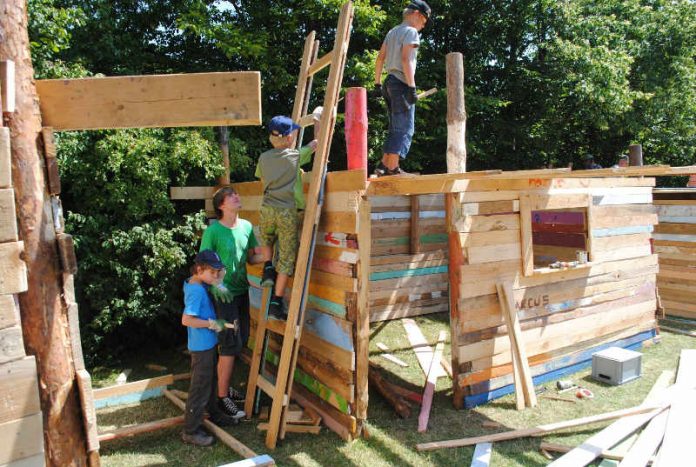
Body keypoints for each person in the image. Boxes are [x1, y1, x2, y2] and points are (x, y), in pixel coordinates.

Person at [199, 187, 264, 419]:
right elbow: (203, 263)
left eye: (238, 194)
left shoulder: (246, 227)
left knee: (242, 338)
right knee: (229, 343)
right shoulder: (214, 231)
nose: (237, 197)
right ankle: (222, 397)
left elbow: (252, 257)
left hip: (241, 291)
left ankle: (222, 387)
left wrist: (267, 254)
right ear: (221, 206)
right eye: (231, 196)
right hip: (221, 293)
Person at [255, 115, 317, 320]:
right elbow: (316, 145)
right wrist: (318, 121)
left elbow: (263, 178)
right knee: (287, 258)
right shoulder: (295, 156)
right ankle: (276, 302)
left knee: (267, 239)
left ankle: (267, 269)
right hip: (287, 212)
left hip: (267, 209)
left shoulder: (263, 158)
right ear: (289, 137)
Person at [181, 250, 236, 447]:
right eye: (212, 272)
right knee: (200, 388)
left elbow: (214, 277)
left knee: (211, 382)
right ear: (199, 269)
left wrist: (218, 281)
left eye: (217, 271)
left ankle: (214, 415)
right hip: (201, 347)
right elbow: (187, 319)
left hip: (208, 344)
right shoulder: (195, 290)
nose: (216, 276)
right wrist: (211, 324)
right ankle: (191, 430)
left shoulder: (195, 281)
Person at [372, 0, 432, 177]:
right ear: (416, 14)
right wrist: (412, 87)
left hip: (388, 82)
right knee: (405, 128)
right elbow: (406, 60)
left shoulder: (392, 32)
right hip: (402, 83)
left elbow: (380, 58)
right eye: (424, 21)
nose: (423, 26)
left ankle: (383, 166)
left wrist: (376, 84)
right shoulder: (411, 32)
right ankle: (393, 168)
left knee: (395, 126)